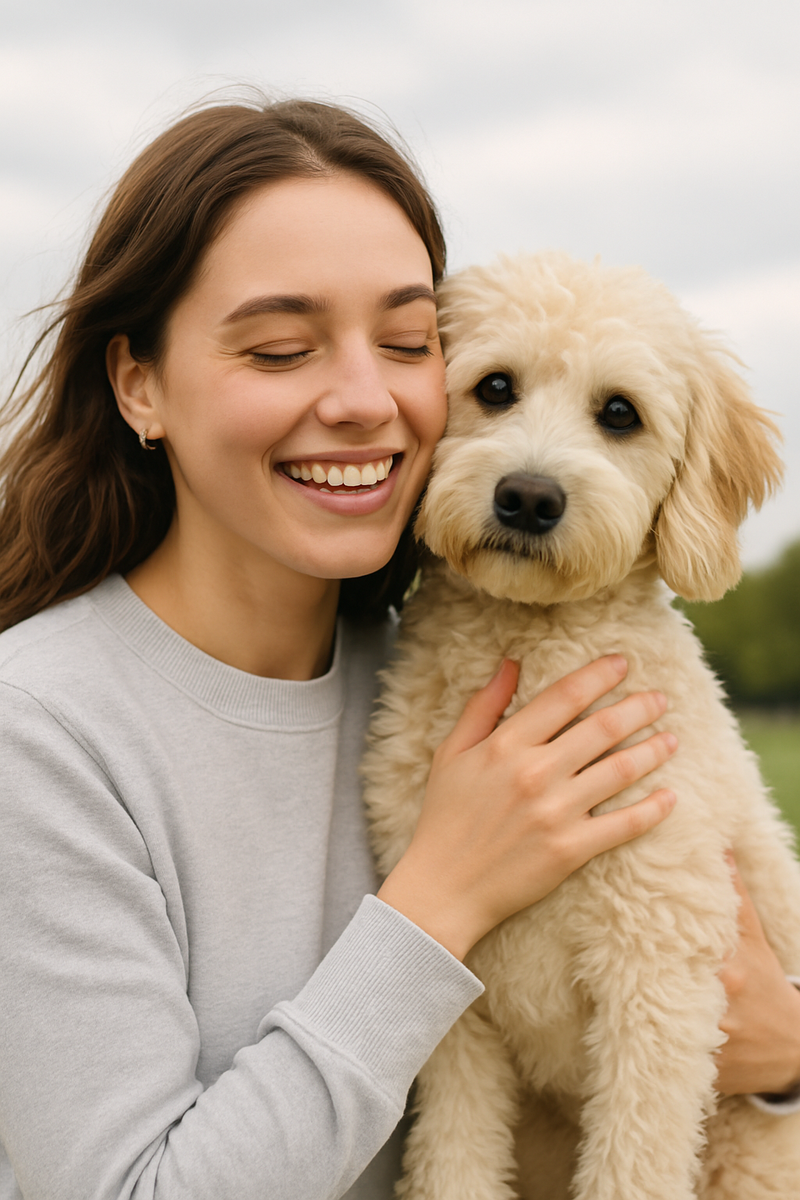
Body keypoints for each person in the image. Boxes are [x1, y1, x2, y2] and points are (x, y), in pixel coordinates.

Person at [0, 96, 797, 1200]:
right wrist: (440, 895)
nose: (363, 399)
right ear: (138, 383)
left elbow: (710, 978)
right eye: (280, 347)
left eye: (408, 343)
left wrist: (786, 1057)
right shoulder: (40, 734)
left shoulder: (448, 665)